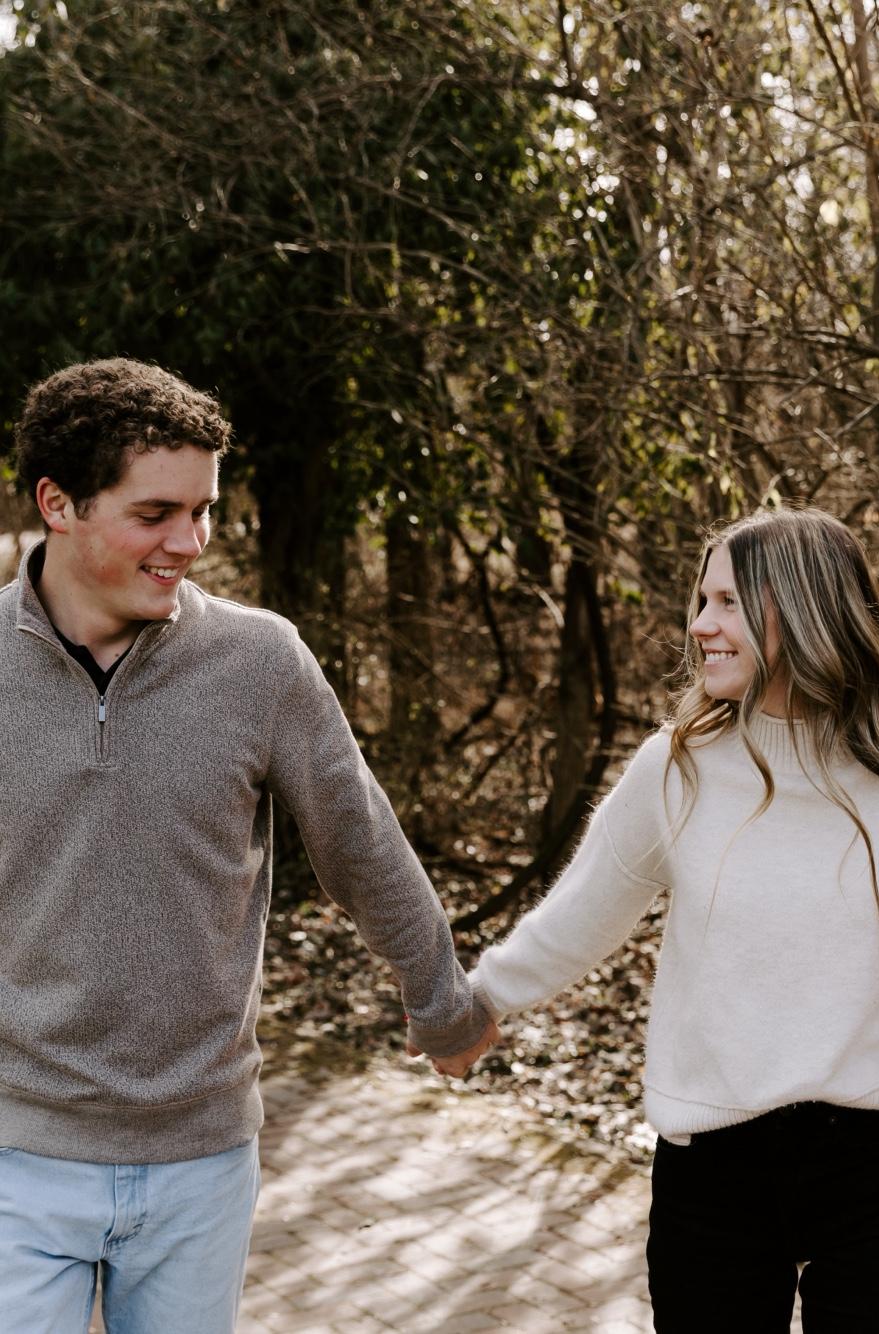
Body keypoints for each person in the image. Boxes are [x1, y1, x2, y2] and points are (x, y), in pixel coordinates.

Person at [471, 506, 879, 1332]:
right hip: (713, 1178)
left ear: (801, 608)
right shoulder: (678, 768)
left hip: (874, 1175)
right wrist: (473, 1005)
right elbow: (577, 919)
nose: (701, 625)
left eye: (727, 602)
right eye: (702, 602)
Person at [0, 358, 497, 1333]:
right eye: (155, 513)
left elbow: (362, 845)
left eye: (203, 512)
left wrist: (442, 1000)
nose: (189, 542)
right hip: (18, 1149)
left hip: (203, 1159)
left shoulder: (259, 662)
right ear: (58, 504)